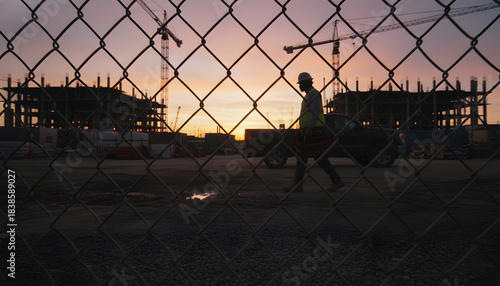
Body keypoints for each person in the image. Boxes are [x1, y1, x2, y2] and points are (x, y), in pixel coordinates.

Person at [284, 72, 344, 193]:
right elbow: (306, 114)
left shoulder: (314, 94)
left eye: (300, 84)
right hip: (308, 130)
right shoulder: (308, 96)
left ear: (306, 83)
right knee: (318, 157)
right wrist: (301, 129)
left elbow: (315, 112)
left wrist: (310, 128)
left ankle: (297, 184)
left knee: (303, 156)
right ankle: (336, 180)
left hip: (314, 130)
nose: (299, 86)